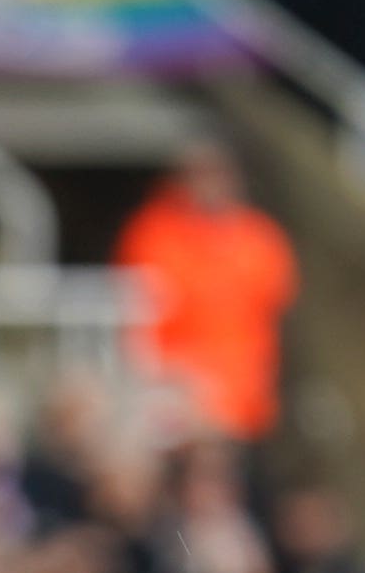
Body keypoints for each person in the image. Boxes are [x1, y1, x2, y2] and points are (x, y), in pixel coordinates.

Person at [113, 141, 297, 446]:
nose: (209, 184)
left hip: (246, 401)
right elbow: (136, 322)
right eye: (198, 174)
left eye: (218, 174)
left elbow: (277, 309)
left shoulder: (261, 238)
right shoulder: (152, 234)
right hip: (175, 397)